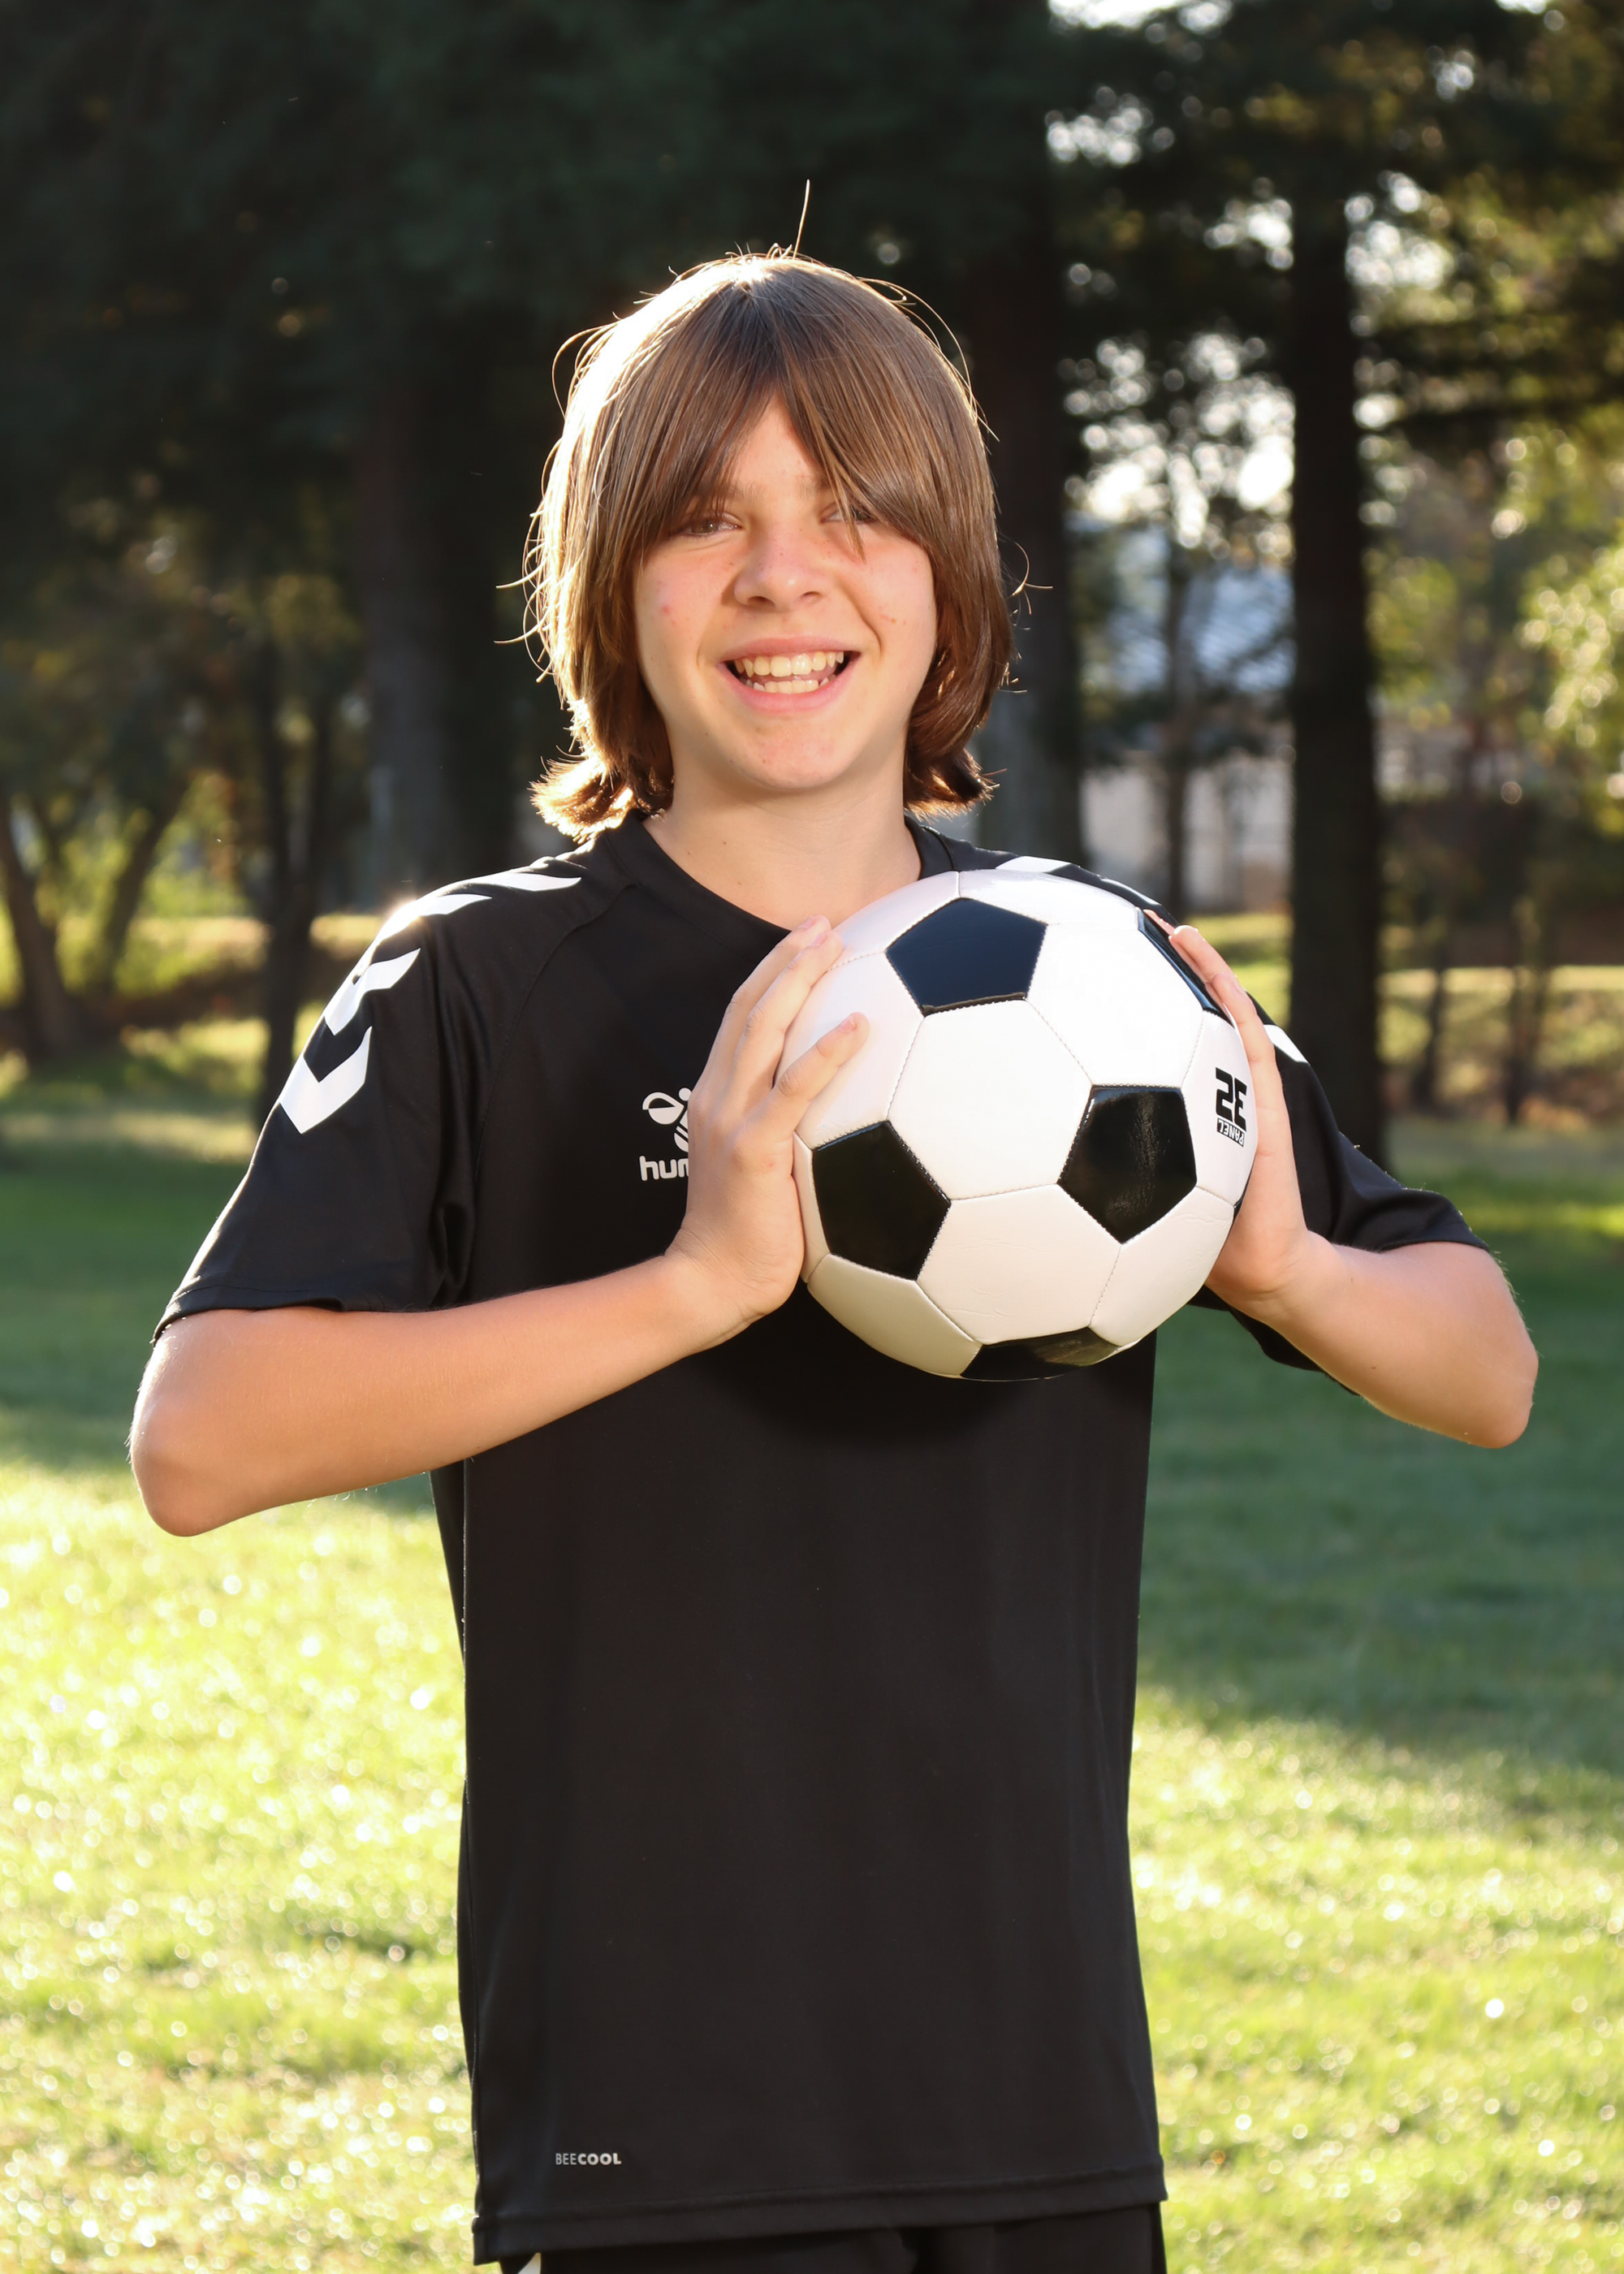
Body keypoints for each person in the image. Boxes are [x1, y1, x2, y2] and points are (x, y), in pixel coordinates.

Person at [131, 257, 1536, 2274]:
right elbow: (200, 1438)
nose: (784, 575)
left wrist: (1289, 1264)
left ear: (950, 579)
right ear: (610, 587)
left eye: (856, 511)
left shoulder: (1110, 987)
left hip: (1042, 2093)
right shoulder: (476, 979)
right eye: (706, 518)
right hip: (664, 2112)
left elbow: (1485, 1367)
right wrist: (692, 1282)